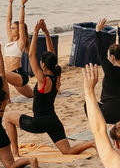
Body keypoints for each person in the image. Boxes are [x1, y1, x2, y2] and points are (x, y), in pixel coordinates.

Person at [10, 21, 73, 153]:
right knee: (67, 151)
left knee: (8, 118)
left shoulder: (42, 79)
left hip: (38, 123)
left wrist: (36, 31)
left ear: (43, 65)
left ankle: (15, 153)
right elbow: (52, 54)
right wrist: (46, 32)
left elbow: (31, 55)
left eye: (41, 62)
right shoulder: (57, 75)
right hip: (53, 121)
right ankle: (92, 144)